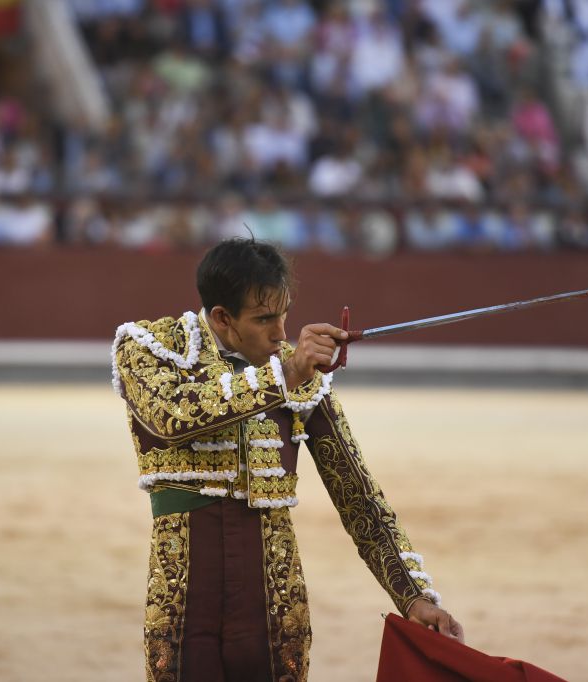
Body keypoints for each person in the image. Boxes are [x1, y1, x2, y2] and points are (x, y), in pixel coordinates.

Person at [112, 238, 464, 681]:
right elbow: (175, 415)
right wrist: (288, 374)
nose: (281, 333)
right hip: (182, 595)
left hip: (273, 597)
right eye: (263, 319)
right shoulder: (149, 346)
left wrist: (414, 597)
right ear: (222, 317)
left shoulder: (297, 372)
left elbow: (357, 495)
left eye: (283, 314)